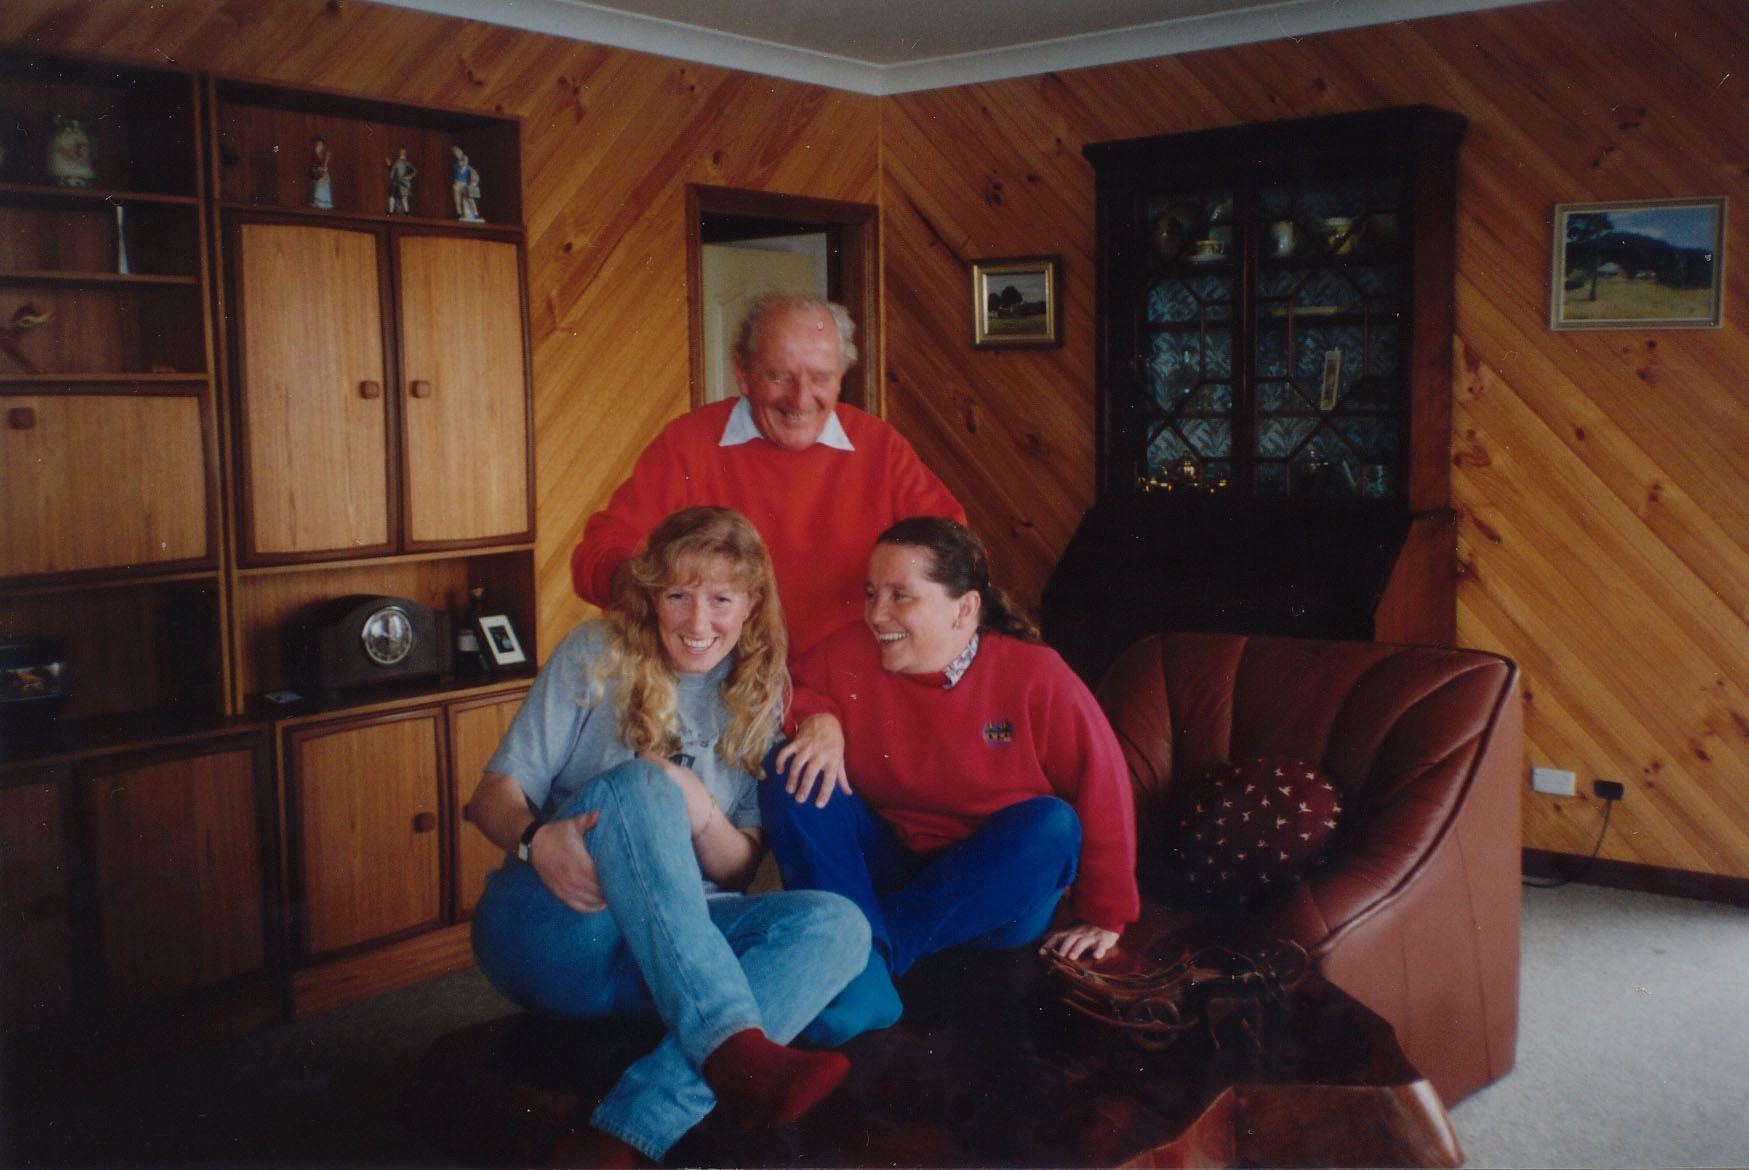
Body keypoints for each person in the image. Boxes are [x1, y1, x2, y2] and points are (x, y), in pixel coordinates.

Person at [467, 506, 868, 1167]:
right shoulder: (596, 652)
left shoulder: (762, 689)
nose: (697, 621)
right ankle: (733, 1048)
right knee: (643, 783)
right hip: (559, 928)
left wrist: (700, 809)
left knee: (840, 924)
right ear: (652, 596)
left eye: (720, 599)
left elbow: (736, 871)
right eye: (678, 595)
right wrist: (535, 840)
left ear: (751, 604)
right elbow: (490, 798)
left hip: (668, 960)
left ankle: (619, 1135)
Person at [758, 516, 1139, 1041]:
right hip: (890, 865)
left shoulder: (1037, 676)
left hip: (990, 898)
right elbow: (786, 689)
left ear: (964, 609)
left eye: (900, 596)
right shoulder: (848, 653)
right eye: (871, 593)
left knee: (1053, 825)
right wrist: (816, 718)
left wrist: (1106, 915)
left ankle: (859, 963)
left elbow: (1104, 783)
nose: (875, 614)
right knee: (790, 770)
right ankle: (864, 964)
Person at [572, 293, 964, 657]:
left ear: (841, 376)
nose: (800, 398)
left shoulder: (880, 446)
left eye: (820, 377)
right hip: (724, 675)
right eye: (779, 376)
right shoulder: (688, 443)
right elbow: (598, 554)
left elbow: (957, 556)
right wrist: (654, 593)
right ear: (743, 373)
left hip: (852, 676)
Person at [450, 145, 482, 221]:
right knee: (457, 198)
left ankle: (475, 213)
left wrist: (474, 183)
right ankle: (459, 212)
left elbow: (475, 176)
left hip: (464, 185)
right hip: (457, 184)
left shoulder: (468, 168)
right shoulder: (456, 166)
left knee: (469, 199)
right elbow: (460, 171)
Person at [386, 147, 417, 214]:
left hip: (402, 181)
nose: (401, 153)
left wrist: (410, 176)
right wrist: (389, 164)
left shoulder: (406, 163)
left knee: (404, 197)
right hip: (394, 181)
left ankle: (406, 211)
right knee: (392, 196)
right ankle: (391, 211)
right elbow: (393, 170)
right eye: (400, 152)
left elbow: (414, 171)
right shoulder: (396, 162)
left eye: (403, 152)